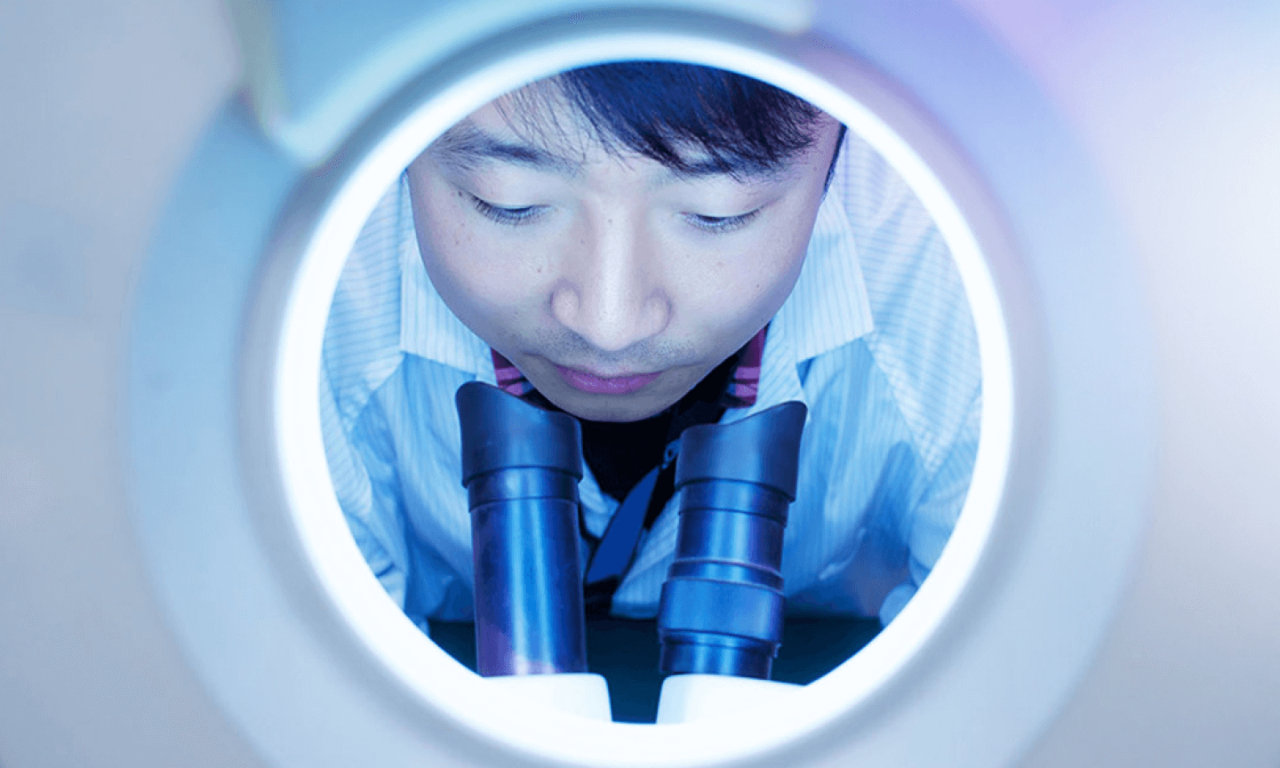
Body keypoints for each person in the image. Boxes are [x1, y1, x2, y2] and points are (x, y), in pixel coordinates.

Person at [320, 61, 981, 636]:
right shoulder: (299, 288)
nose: (610, 324)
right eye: (509, 203)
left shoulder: (967, 281)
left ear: (840, 136)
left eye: (716, 212)